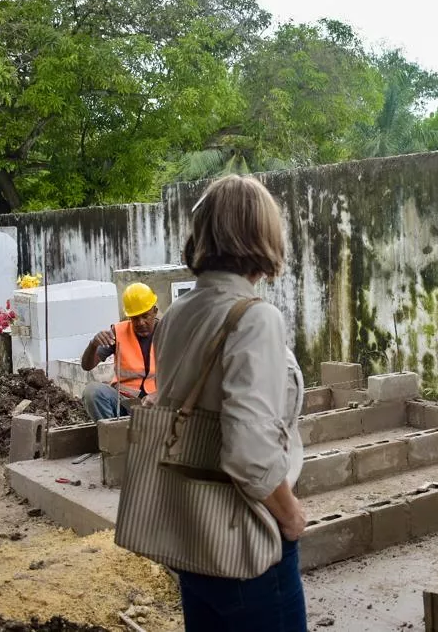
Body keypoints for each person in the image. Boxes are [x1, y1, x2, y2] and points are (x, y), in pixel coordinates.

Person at [153, 174, 307, 631]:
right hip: (247, 539)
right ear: (260, 235)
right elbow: (248, 452)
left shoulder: (179, 312)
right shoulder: (254, 318)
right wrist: (290, 514)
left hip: (192, 533)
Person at [80, 282, 159, 421]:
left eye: (145, 316)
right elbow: (87, 366)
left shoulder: (170, 332)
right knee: (93, 392)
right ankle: (112, 436)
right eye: (135, 318)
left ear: (155, 311)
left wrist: (159, 395)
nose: (140, 322)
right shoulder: (118, 332)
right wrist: (93, 344)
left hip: (157, 403)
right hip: (124, 402)